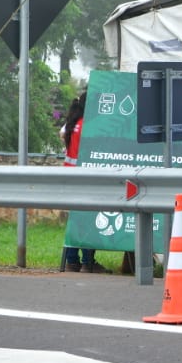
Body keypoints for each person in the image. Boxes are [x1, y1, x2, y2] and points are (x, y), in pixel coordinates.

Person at [60, 90, 109, 274]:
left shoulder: (73, 124)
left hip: (71, 178)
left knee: (76, 221)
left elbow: (61, 134)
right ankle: (88, 262)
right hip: (87, 178)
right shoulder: (90, 125)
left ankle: (72, 261)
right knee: (88, 221)